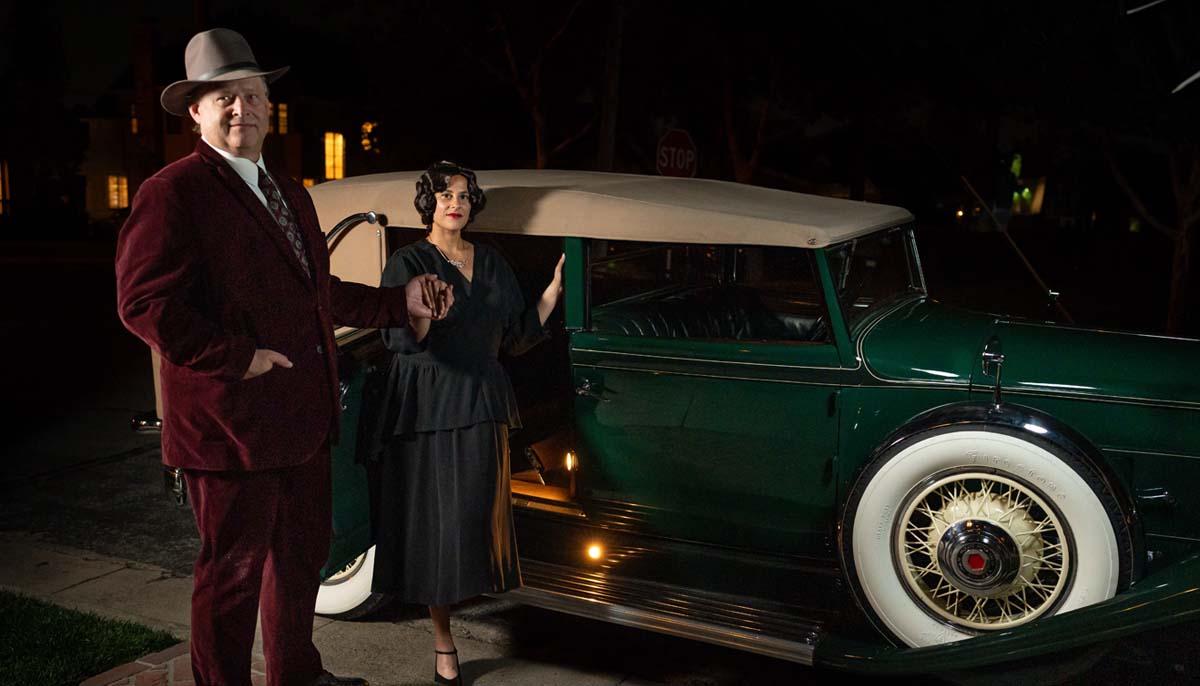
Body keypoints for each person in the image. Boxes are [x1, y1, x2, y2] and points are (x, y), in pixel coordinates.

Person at [115, 29, 453, 686]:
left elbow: (316, 293)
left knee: (301, 565)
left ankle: (296, 675)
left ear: (270, 104)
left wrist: (399, 301)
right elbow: (142, 305)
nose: (241, 108)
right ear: (196, 112)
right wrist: (235, 358)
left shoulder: (291, 192)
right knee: (232, 579)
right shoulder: (173, 193)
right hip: (229, 427)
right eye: (224, 99)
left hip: (302, 420)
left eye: (252, 95)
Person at [371, 162, 563, 685]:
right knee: (438, 526)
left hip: (482, 400)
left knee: (474, 520)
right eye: (443, 194)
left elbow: (519, 336)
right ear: (427, 202)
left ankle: (467, 615)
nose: (453, 203)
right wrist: (424, 316)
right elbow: (397, 341)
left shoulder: (494, 262)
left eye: (461, 195)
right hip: (428, 402)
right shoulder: (407, 260)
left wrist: (553, 291)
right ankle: (443, 645)